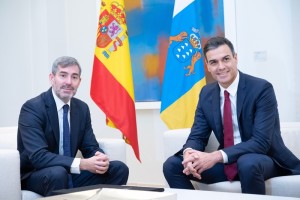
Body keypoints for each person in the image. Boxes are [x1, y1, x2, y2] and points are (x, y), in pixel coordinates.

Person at [163, 36, 300, 194]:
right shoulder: (206, 93)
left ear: (235, 58)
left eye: (226, 59)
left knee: (247, 162)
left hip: (264, 159)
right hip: (228, 163)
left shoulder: (261, 89)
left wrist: (216, 156)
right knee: (172, 165)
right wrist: (189, 153)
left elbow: (261, 142)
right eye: (213, 62)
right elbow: (198, 135)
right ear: (207, 66)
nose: (221, 67)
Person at [17, 56, 129, 196]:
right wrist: (82, 164)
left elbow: (89, 146)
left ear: (79, 82)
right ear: (52, 78)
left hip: (69, 172)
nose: (69, 82)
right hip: (36, 174)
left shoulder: (82, 108)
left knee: (119, 168)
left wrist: (99, 157)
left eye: (74, 77)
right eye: (63, 75)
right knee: (58, 173)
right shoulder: (32, 108)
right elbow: (39, 157)